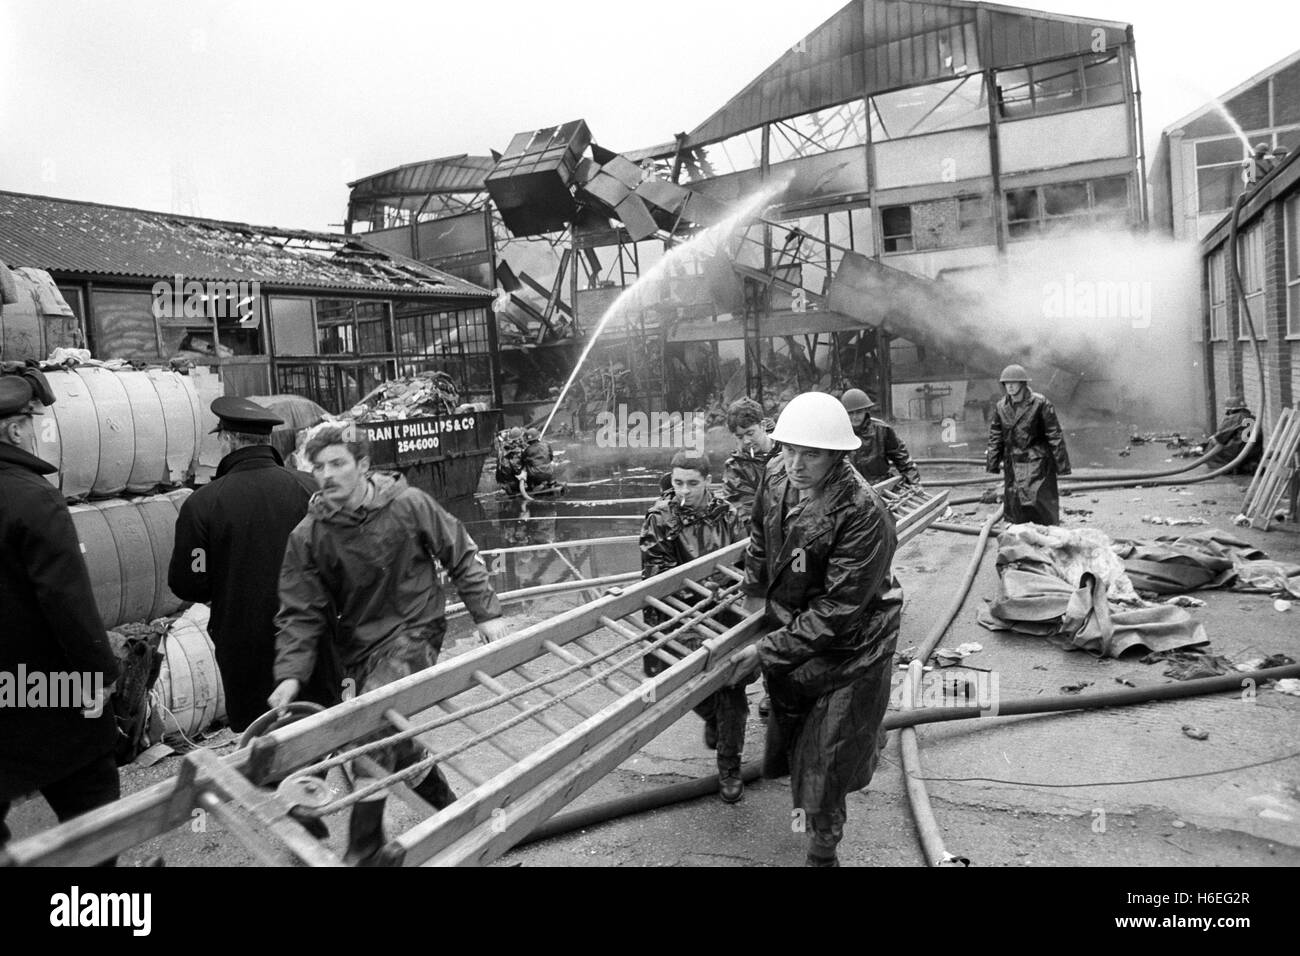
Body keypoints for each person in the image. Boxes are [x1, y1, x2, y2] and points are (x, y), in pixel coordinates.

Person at [269, 422, 509, 865]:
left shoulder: (408, 504)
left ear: (363, 465)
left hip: (416, 628)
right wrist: (289, 675)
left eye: (338, 463)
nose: (327, 474)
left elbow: (459, 551)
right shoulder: (308, 536)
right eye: (319, 467)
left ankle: (365, 840)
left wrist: (487, 615)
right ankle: (456, 817)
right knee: (396, 741)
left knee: (375, 717)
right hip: (361, 648)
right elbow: (299, 612)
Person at [732, 391, 903, 866]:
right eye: (788, 449)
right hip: (795, 633)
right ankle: (865, 741)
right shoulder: (775, 475)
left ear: (838, 454)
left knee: (826, 766)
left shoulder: (864, 513)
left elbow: (839, 608)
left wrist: (767, 651)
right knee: (796, 746)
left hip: (853, 647)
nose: (796, 463)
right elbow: (760, 542)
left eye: (811, 453)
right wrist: (753, 603)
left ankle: (823, 853)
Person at [0, 376, 121, 862]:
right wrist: (102, 675)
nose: (41, 431)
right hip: (49, 695)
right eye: (36, 421)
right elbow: (68, 604)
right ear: (14, 432)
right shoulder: (32, 498)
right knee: (94, 815)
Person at [169, 397, 339, 735]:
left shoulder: (202, 504)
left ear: (227, 440)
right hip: (314, 644)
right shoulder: (310, 488)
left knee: (261, 744)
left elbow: (188, 584)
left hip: (246, 652)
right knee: (317, 736)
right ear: (268, 440)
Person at [639, 451, 752, 803]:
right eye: (677, 483)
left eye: (692, 483)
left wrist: (731, 594)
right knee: (685, 684)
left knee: (731, 687)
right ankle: (712, 717)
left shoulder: (729, 515)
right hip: (680, 610)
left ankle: (729, 767)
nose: (684, 490)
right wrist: (695, 593)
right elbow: (656, 573)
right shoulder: (660, 516)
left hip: (724, 606)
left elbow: (747, 560)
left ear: (708, 481)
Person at [986, 365, 1072, 525]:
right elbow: (996, 435)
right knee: (1016, 507)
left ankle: (1045, 535)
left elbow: (1054, 434)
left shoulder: (1040, 403)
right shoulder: (1001, 406)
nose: (1010, 386)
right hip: (1013, 463)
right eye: (1006, 383)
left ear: (1023, 383)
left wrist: (1062, 466)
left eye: (1014, 382)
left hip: (1037, 463)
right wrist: (993, 463)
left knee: (1040, 506)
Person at [840, 388, 922, 488]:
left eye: (859, 412)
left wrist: (914, 483)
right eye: (850, 413)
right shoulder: (838, 433)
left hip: (881, 485)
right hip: (850, 488)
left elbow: (903, 459)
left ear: (866, 410)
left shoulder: (882, 430)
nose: (854, 417)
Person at [721, 397, 779, 530]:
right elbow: (746, 514)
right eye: (740, 437)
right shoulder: (735, 468)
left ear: (763, 426)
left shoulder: (787, 451)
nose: (746, 441)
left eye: (750, 433)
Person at [1207, 394, 1262, 474]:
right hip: (1253, 453)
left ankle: (1229, 468)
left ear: (1230, 410)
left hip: (1236, 452)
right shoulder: (1253, 418)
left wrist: (1213, 439)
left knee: (1211, 447)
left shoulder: (1233, 418)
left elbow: (1221, 437)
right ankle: (1245, 466)